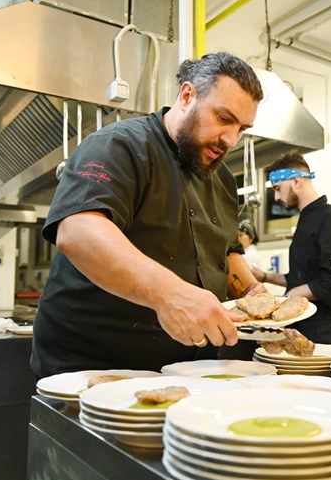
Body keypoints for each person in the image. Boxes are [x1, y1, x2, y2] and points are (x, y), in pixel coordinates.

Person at [30, 52, 268, 378]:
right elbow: (79, 231)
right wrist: (169, 294)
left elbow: (225, 252)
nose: (230, 139)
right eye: (224, 118)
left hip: (185, 368)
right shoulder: (119, 146)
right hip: (91, 366)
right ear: (187, 96)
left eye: (242, 128)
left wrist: (253, 296)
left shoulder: (222, 178)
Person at [251, 151, 331, 345]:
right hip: (304, 329)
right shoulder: (305, 221)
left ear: (296, 181)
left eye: (277, 188)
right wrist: (265, 276)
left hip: (327, 333)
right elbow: (303, 278)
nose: (275, 197)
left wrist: (284, 300)